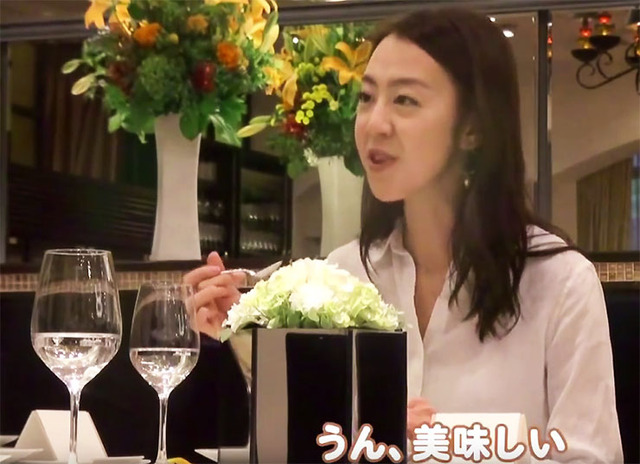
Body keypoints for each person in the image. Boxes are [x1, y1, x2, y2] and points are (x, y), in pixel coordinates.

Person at [184, 8, 623, 463]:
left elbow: (590, 457)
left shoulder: (560, 283)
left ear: (473, 129)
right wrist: (247, 341)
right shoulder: (342, 276)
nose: (375, 123)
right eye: (367, 97)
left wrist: (436, 443)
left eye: (405, 100)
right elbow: (299, 445)